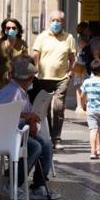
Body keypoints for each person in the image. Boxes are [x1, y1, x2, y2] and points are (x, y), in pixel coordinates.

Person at [0, 56, 59, 200]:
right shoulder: (12, 92)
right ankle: (13, 184)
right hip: (4, 132)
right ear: (28, 78)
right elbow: (2, 112)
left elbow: (24, 113)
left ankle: (38, 186)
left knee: (46, 144)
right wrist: (27, 116)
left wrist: (31, 120)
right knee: (35, 147)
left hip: (17, 130)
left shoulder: (20, 91)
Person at [31, 11, 76, 149]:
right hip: (43, 78)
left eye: (59, 20)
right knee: (45, 109)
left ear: (63, 22)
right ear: (49, 21)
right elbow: (35, 53)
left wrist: (70, 72)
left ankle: (56, 138)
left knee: (58, 107)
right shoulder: (42, 37)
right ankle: (48, 136)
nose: (56, 23)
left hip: (61, 78)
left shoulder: (69, 38)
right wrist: (36, 68)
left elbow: (72, 58)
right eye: (54, 20)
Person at [0, 17, 29, 89]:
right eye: (8, 28)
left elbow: (26, 63)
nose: (11, 30)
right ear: (4, 30)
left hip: (16, 80)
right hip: (0, 80)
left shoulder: (22, 44)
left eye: (13, 28)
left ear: (18, 30)